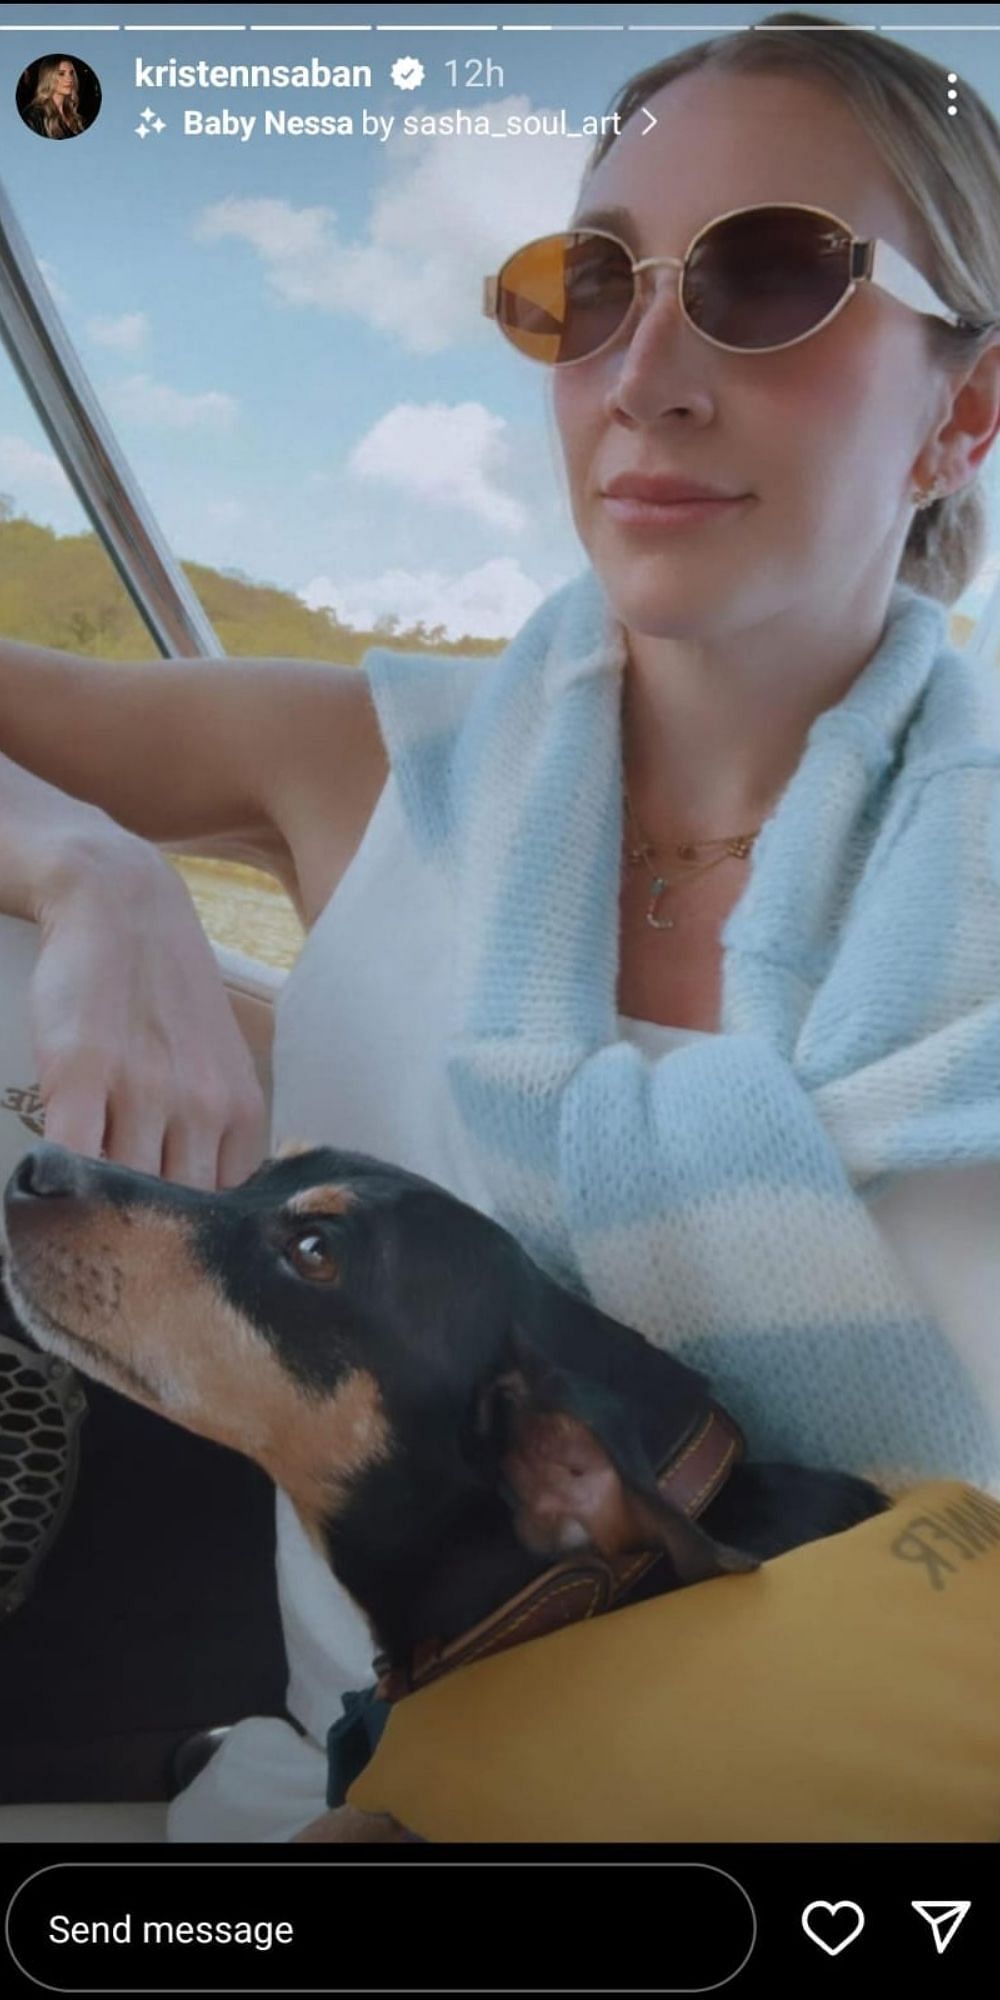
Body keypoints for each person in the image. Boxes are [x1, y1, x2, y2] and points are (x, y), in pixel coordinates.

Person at [1, 9, 999, 1842]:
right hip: (367, 1805)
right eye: (591, 285)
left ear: (968, 405)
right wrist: (85, 871)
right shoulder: (372, 768)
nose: (648, 373)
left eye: (773, 275)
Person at [20, 57, 85, 140]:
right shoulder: (33, 115)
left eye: (71, 73)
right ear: (48, 77)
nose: (70, 79)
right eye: (61, 74)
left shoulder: (75, 116)